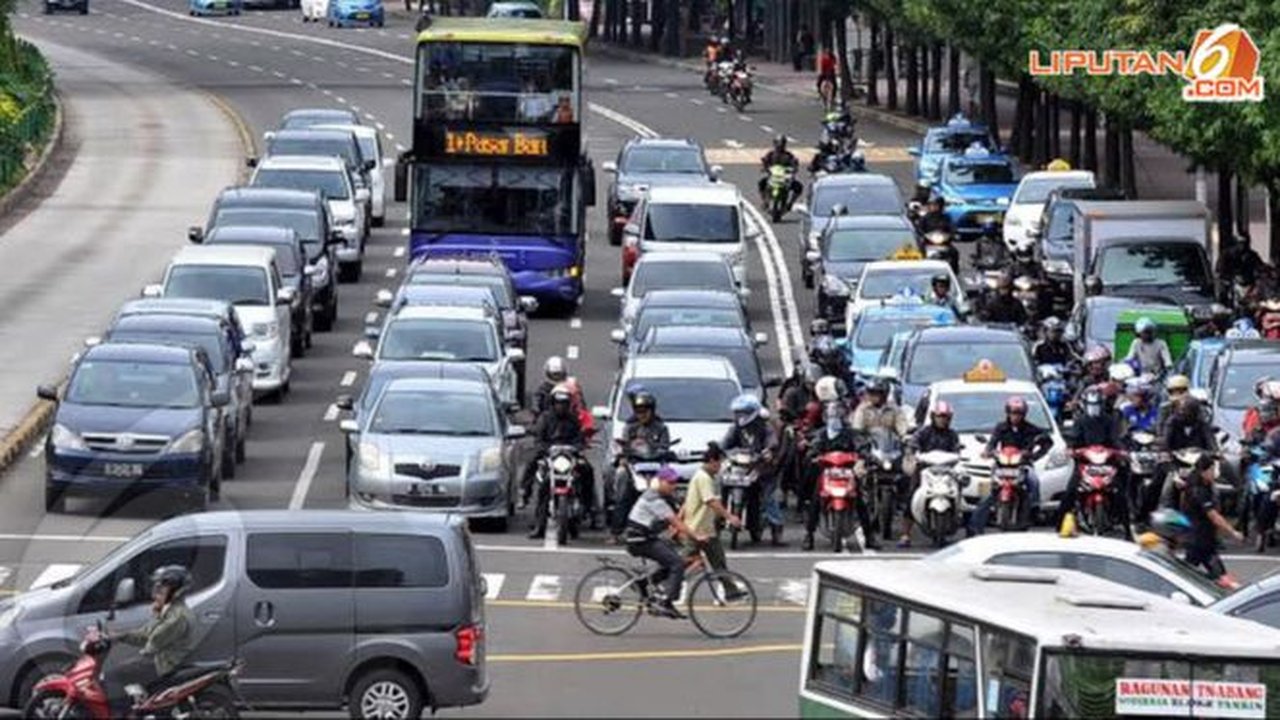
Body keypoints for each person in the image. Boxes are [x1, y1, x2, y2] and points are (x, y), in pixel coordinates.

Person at [624, 467, 705, 619]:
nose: (673, 486)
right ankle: (666, 602)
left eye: (674, 482)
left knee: (671, 557)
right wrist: (696, 536)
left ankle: (642, 584)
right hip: (640, 540)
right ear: (660, 482)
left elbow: (671, 523)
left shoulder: (657, 496)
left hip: (645, 537)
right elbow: (676, 522)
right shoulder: (654, 499)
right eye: (670, 482)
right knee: (677, 563)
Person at [969, 397, 1052, 535]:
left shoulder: (1031, 429)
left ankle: (1035, 510)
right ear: (1007, 413)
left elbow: (1047, 442)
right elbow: (992, 442)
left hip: (1022, 465)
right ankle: (975, 526)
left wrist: (1034, 456)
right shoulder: (1001, 427)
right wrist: (988, 451)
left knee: (1034, 481)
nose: (1016, 416)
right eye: (1013, 413)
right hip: (1002, 466)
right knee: (990, 493)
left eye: (1019, 413)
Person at [802, 401, 877, 550]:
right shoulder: (822, 434)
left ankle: (869, 536)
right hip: (827, 472)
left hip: (847, 472)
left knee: (860, 501)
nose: (835, 419)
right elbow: (814, 447)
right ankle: (809, 535)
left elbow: (861, 445)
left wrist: (865, 455)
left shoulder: (851, 433)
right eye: (831, 416)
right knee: (816, 499)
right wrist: (814, 455)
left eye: (838, 416)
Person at [1059, 387, 1130, 536]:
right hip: (1085, 463)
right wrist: (1071, 449)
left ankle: (1127, 528)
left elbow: (1116, 439)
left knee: (1121, 492)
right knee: (1070, 492)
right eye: (1091, 405)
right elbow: (1073, 438)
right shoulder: (1080, 421)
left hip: (1107, 463)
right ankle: (1059, 524)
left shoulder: (1109, 421)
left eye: (1097, 405)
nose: (1094, 409)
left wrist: (1121, 451)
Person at [113, 566, 195, 691]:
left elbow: (154, 641)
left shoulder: (177, 616)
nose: (155, 593)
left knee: (113, 675)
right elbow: (145, 634)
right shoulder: (169, 611)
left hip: (163, 665)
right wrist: (119, 636)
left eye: (161, 589)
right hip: (158, 661)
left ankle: (121, 710)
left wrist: (138, 656)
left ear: (176, 591)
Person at [721, 393, 786, 546]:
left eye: (743, 412)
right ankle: (719, 518)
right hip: (741, 467)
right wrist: (719, 449)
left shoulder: (765, 426)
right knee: (722, 484)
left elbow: (772, 441)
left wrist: (768, 451)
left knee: (768, 496)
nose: (740, 416)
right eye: (738, 413)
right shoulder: (736, 427)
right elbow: (726, 443)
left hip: (763, 468)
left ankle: (776, 527)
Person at [851, 379, 911, 542]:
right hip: (869, 450)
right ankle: (857, 509)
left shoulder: (894, 409)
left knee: (909, 472)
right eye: (871, 393)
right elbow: (857, 430)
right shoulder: (862, 409)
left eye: (877, 394)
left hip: (890, 450)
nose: (873, 397)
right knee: (857, 473)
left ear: (884, 395)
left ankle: (904, 505)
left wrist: (905, 437)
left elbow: (902, 426)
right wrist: (860, 444)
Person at [610, 390, 672, 541]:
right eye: (638, 411)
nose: (642, 414)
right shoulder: (630, 428)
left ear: (652, 410)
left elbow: (665, 447)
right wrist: (623, 457)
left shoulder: (661, 428)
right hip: (634, 466)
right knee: (622, 480)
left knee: (671, 488)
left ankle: (676, 527)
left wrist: (664, 454)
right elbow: (623, 447)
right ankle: (616, 531)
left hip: (655, 467)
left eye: (645, 411)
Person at [679, 443, 744, 587]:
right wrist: (730, 517)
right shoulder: (703, 478)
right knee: (682, 563)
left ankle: (731, 591)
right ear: (713, 461)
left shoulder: (703, 476)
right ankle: (661, 583)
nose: (720, 467)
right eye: (719, 463)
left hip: (706, 528)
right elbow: (710, 501)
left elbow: (689, 501)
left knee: (718, 561)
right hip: (697, 529)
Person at [899, 402, 962, 547]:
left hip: (946, 472)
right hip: (925, 470)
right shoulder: (924, 432)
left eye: (945, 417)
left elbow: (957, 450)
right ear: (933, 416)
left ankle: (956, 519)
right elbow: (913, 444)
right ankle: (905, 534)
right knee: (911, 495)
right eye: (940, 416)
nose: (942, 420)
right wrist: (912, 452)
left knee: (959, 488)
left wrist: (957, 456)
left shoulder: (952, 435)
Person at [527, 384, 585, 540]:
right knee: (543, 484)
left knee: (587, 471)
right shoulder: (545, 418)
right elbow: (539, 440)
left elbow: (580, 439)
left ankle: (590, 510)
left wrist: (577, 448)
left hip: (569, 456)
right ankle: (539, 524)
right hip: (550, 457)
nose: (561, 406)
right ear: (553, 403)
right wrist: (546, 449)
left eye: (564, 403)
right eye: (558, 403)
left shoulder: (574, 420)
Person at [1181, 454, 1243, 582]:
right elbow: (1214, 516)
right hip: (1199, 538)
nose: (1214, 473)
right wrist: (1233, 532)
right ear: (1203, 471)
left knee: (1188, 574)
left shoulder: (1203, 484)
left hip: (1202, 538)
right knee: (1220, 578)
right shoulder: (1198, 490)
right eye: (1212, 470)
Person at [757, 135, 802, 207]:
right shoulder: (771, 154)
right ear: (775, 143)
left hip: (784, 178)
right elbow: (765, 162)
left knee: (798, 187)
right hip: (773, 177)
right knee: (761, 184)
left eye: (782, 143)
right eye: (778, 143)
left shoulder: (788, 155)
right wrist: (765, 167)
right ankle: (765, 201)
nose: (780, 145)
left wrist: (794, 169)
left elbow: (794, 163)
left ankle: (790, 202)